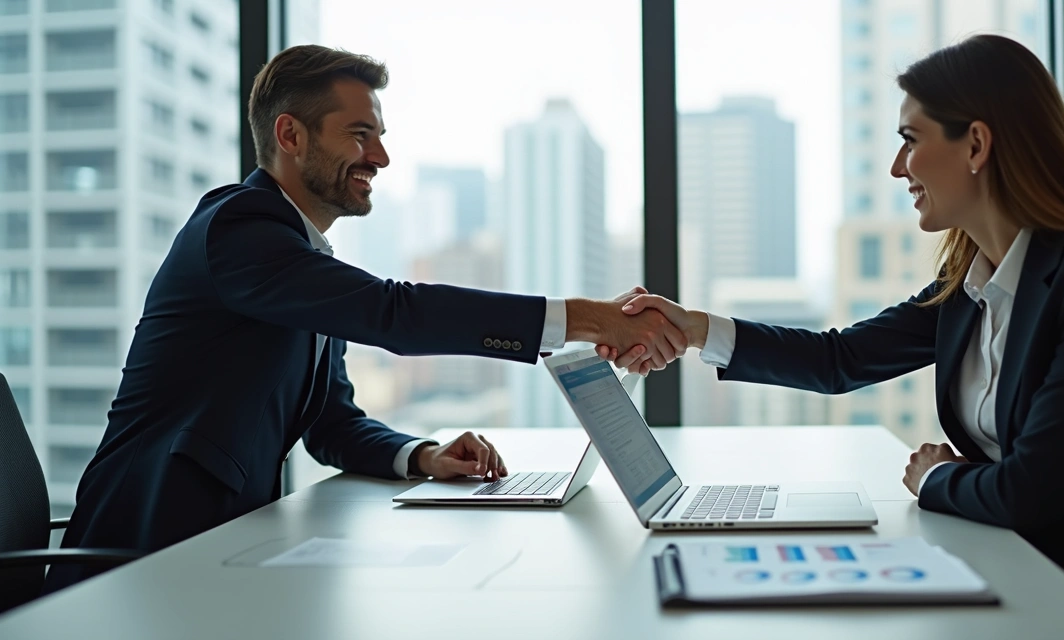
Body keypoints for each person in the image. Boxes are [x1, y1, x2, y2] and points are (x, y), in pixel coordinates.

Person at [607, 35, 1064, 639]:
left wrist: (932, 478)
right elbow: (840, 360)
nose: (898, 167)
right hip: (1028, 568)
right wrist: (693, 331)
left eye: (910, 140)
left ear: (976, 143)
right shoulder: (968, 282)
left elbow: (1030, 492)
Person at [44, 45, 684, 593]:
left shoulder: (296, 258)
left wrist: (422, 456)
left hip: (218, 552)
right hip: (139, 558)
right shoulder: (239, 230)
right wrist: (590, 320)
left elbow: (330, 420)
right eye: (358, 134)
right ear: (290, 136)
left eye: (379, 136)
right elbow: (395, 314)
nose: (380, 157)